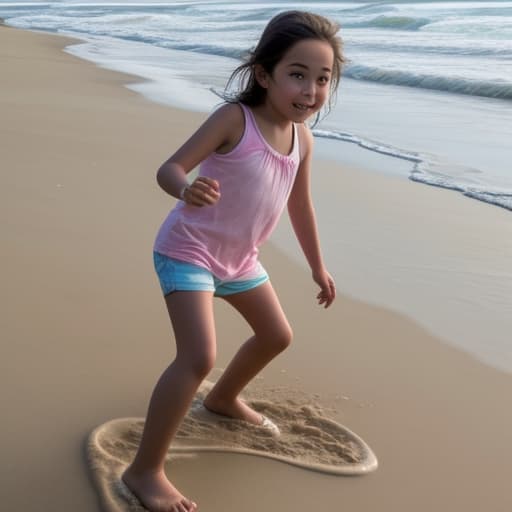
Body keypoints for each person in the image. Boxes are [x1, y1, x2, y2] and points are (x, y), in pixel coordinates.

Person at [122, 10, 344, 512]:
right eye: (297, 74)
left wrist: (317, 265)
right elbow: (170, 167)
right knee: (197, 355)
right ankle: (145, 471)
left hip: (240, 260)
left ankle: (221, 400)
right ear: (264, 74)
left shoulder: (302, 140)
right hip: (189, 250)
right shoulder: (234, 120)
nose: (310, 90)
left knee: (276, 336)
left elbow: (299, 206)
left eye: (323, 79)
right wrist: (186, 187)